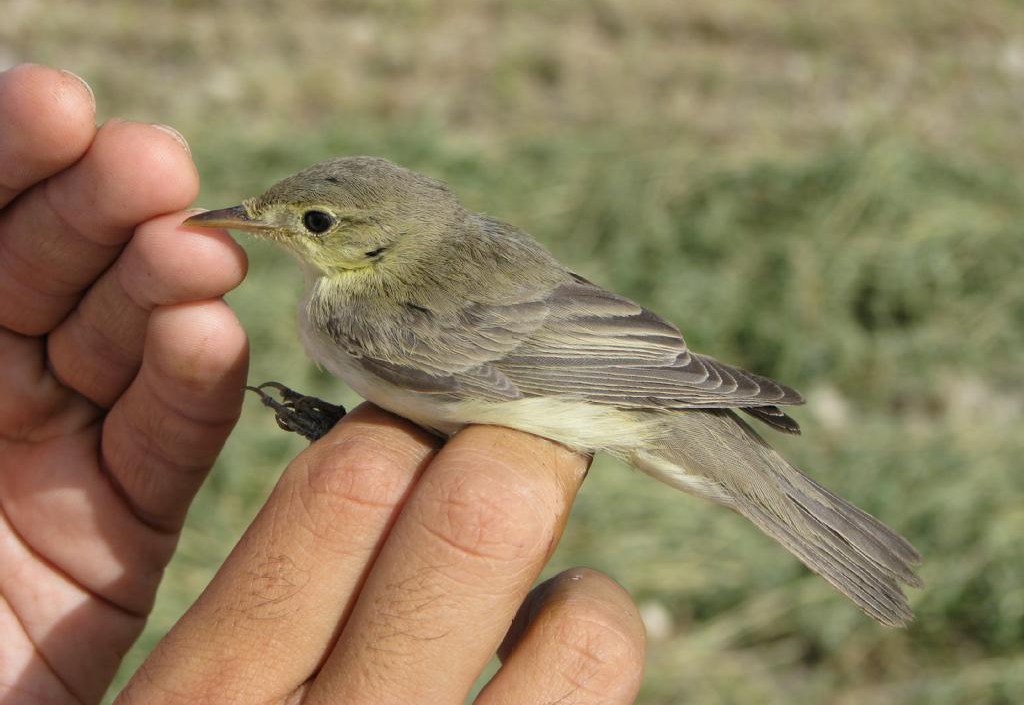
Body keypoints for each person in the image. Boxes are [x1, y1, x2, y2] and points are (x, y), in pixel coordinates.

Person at [0, 63, 646, 704]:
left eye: (313, 222)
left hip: (605, 375)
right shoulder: (377, 283)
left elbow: (527, 364)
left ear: (376, 245)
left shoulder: (351, 310)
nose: (278, 229)